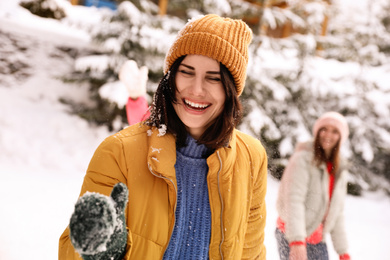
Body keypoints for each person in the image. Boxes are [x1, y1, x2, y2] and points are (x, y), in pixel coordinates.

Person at [59, 14, 268, 260]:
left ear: (231, 90)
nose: (197, 89)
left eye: (213, 78)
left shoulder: (251, 157)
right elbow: (75, 248)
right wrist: (102, 250)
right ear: (171, 79)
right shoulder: (120, 152)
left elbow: (250, 253)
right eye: (187, 72)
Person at [275, 111, 351, 260]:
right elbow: (293, 200)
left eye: (335, 131)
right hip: (291, 234)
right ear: (317, 132)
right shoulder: (302, 159)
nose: (328, 134)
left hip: (317, 240)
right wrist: (297, 240)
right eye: (324, 129)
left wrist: (343, 251)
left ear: (341, 137)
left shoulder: (339, 168)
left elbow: (337, 211)